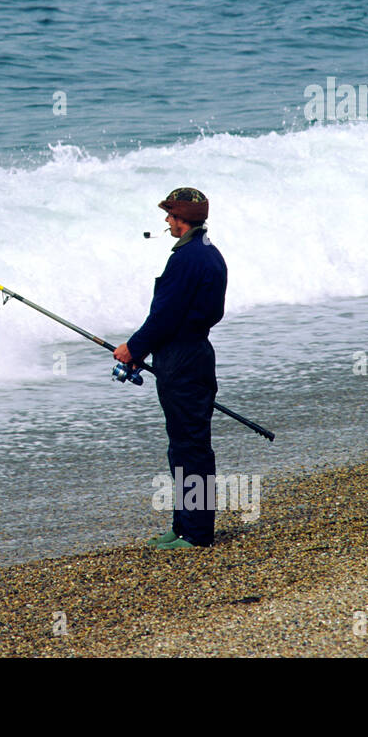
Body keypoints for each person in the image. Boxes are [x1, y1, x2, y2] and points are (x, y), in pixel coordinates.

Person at [114, 188, 227, 550]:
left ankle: (196, 534)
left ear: (183, 218)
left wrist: (132, 348)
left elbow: (165, 316)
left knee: (191, 448)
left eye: (170, 215)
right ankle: (181, 527)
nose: (166, 221)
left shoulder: (187, 259)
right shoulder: (207, 253)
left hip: (184, 359)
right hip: (189, 355)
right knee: (181, 446)